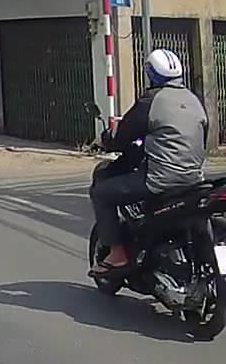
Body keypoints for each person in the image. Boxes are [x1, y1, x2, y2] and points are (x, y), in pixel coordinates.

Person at [89, 48, 208, 276]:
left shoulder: (151, 100)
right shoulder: (194, 100)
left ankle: (117, 254)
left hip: (159, 180)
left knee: (101, 193)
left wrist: (106, 140)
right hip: (194, 179)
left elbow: (122, 136)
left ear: (150, 73)